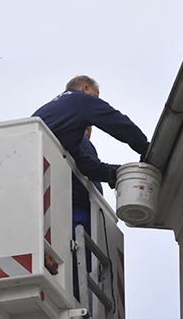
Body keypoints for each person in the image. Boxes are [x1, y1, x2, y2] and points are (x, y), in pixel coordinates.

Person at [32, 75, 149, 233]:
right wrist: (146, 150)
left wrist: (115, 173)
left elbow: (84, 164)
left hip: (37, 193)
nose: (96, 102)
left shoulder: (55, 117)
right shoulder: (80, 100)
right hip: (61, 199)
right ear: (85, 88)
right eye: (96, 97)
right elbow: (118, 123)